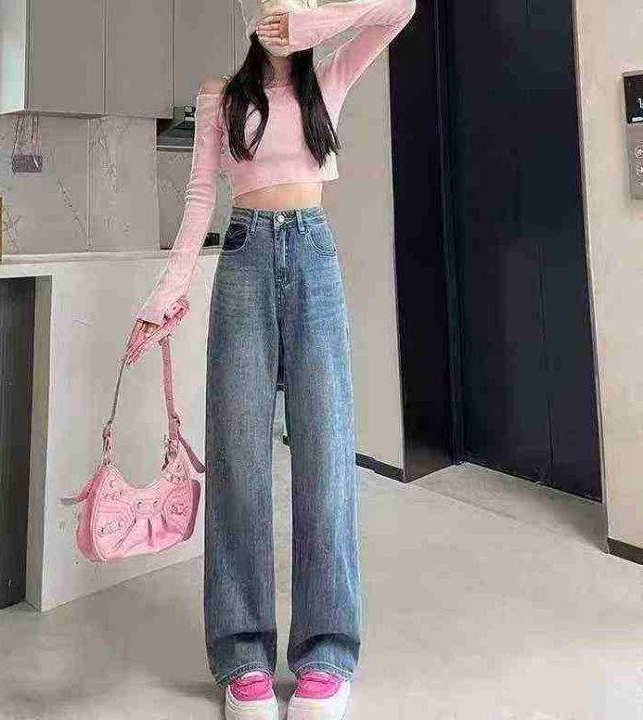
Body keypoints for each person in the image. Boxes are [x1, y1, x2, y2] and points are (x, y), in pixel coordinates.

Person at [124, 1, 416, 717]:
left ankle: (327, 652)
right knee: (239, 461)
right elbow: (200, 199)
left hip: (314, 255)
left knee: (326, 456)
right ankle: (241, 654)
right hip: (245, 258)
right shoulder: (220, 97)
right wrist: (166, 293)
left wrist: (323, 25)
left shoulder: (330, 79)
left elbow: (401, 8)